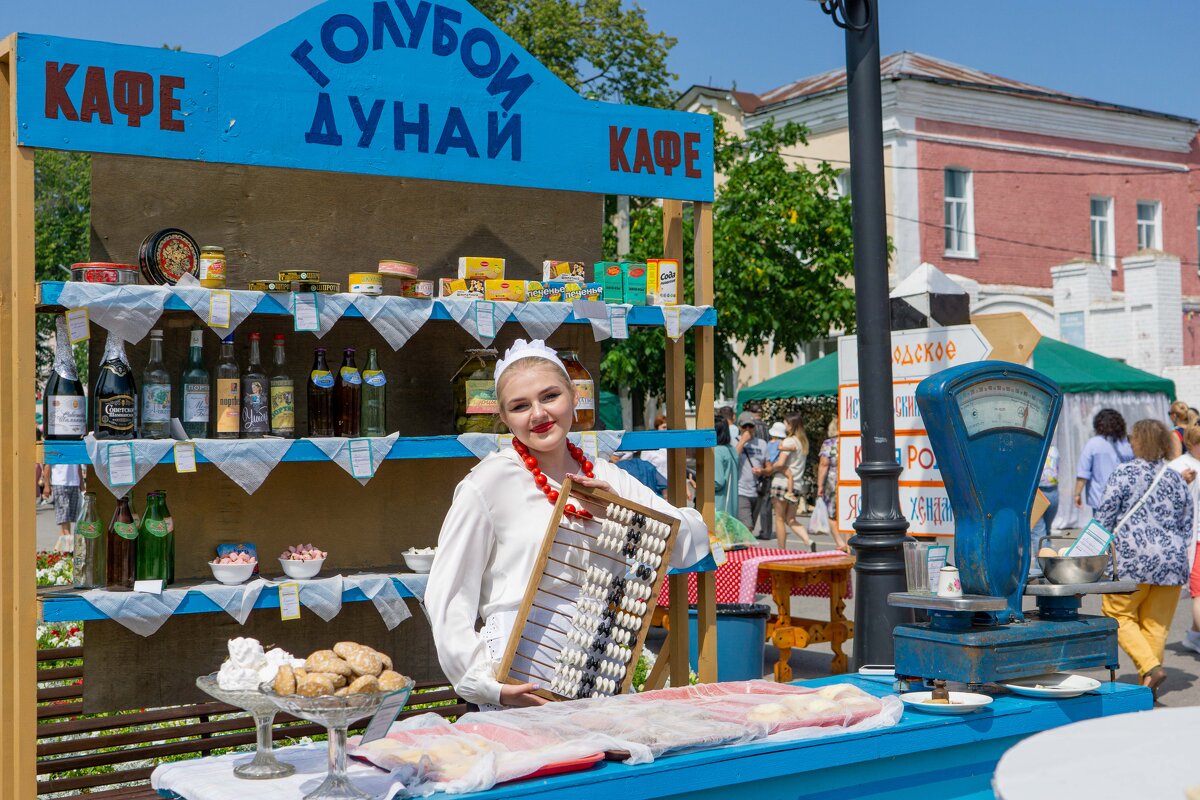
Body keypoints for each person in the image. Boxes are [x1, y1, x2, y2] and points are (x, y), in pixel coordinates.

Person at [425, 339, 709, 709]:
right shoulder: (488, 483)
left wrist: (621, 513)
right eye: (520, 406)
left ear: (575, 398)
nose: (538, 414)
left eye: (550, 396)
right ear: (505, 417)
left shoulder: (607, 477)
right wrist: (484, 682)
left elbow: (690, 541)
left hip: (598, 668)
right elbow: (447, 594)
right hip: (520, 675)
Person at [1095, 419, 1192, 697]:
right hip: (1172, 562)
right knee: (1155, 626)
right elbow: (1186, 523)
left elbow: (1104, 518)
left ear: (1136, 441)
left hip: (1131, 561)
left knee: (1117, 615)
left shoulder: (1123, 473)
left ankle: (1149, 667)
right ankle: (1147, 687)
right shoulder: (1175, 477)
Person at [1169, 426, 1200, 655]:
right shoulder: (1179, 466)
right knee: (1198, 594)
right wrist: (1182, 481)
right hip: (1192, 539)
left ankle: (1193, 636)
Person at [1074, 409, 1133, 511]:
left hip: (1100, 498)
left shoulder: (1093, 443)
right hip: (1125, 497)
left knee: (1100, 526)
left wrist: (1077, 494)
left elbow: (1083, 473)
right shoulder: (1127, 443)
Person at [768, 415, 813, 551]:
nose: (785, 426)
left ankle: (781, 550)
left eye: (786, 424)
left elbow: (781, 463)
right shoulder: (802, 443)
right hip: (796, 485)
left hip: (782, 482)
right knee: (791, 518)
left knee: (780, 519)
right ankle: (808, 541)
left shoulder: (788, 442)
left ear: (791, 426)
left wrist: (768, 469)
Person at [817, 417, 850, 552]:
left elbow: (824, 465)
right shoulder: (851, 441)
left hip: (833, 481)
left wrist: (819, 485)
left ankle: (839, 542)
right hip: (850, 481)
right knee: (848, 511)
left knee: (832, 513)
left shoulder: (829, 443)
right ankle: (848, 543)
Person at [734, 411, 769, 535]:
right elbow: (733, 458)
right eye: (745, 426)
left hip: (757, 491)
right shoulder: (734, 442)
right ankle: (745, 553)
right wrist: (743, 441)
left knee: (750, 528)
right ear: (739, 427)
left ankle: (742, 550)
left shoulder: (762, 444)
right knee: (746, 527)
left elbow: (769, 468)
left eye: (750, 426)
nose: (748, 429)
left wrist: (762, 471)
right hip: (740, 491)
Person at [1029, 446, 1059, 578]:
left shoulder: (1034, 447)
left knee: (1043, 532)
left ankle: (1044, 566)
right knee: (1040, 532)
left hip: (1049, 491)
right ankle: (1045, 566)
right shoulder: (1053, 449)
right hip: (1041, 491)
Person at [43, 463, 84, 554]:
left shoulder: (75, 448)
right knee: (63, 514)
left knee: (68, 517)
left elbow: (78, 465)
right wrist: (47, 485)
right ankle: (69, 542)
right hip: (59, 482)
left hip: (74, 482)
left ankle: (59, 550)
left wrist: (81, 485)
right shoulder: (54, 448)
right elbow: (47, 465)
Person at [713, 415, 739, 519]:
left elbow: (717, 482)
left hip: (719, 507)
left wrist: (698, 483)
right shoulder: (731, 449)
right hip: (731, 507)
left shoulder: (717, 451)